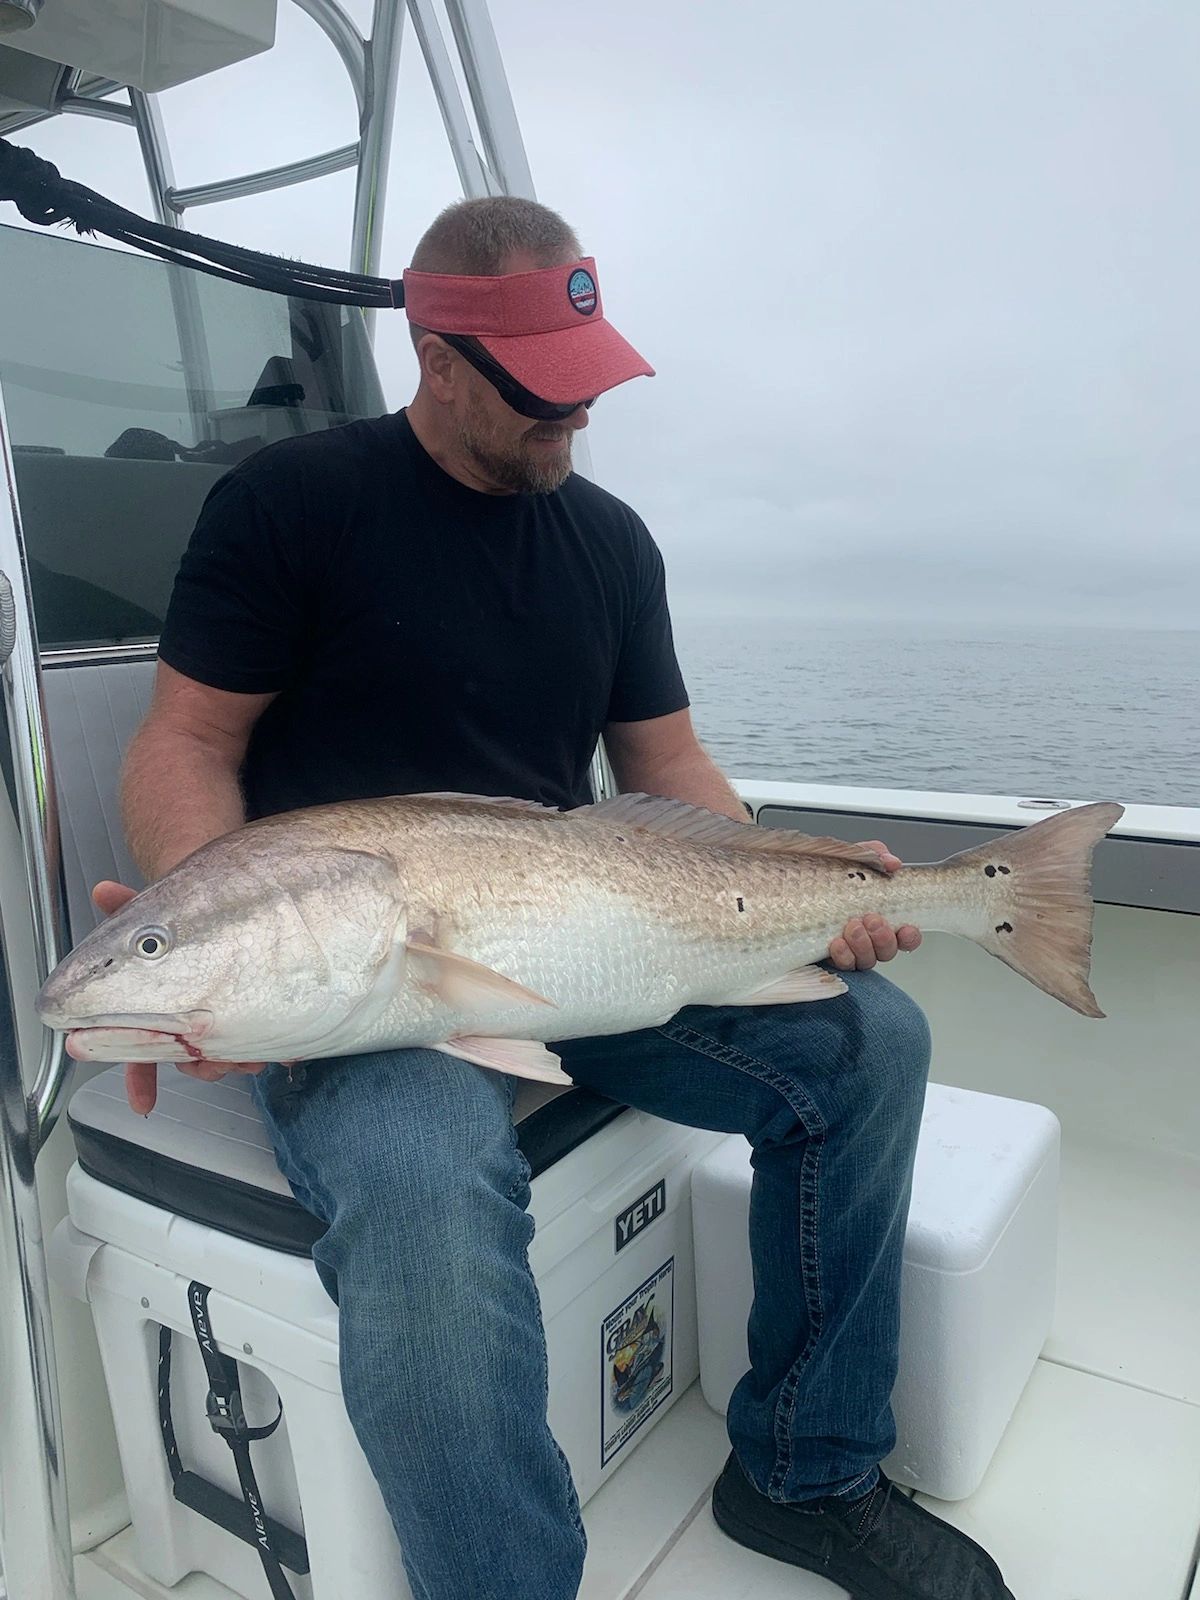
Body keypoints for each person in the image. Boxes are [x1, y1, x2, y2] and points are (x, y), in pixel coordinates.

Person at [95, 197, 1014, 1600]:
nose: (577, 419)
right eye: (543, 393)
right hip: (369, 986)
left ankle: (807, 1472)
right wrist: (205, 927)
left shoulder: (612, 543)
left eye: (589, 384)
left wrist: (799, 886)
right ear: (437, 358)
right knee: (423, 1183)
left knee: (874, 1044)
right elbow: (185, 741)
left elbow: (667, 764)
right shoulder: (292, 504)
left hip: (595, 943)